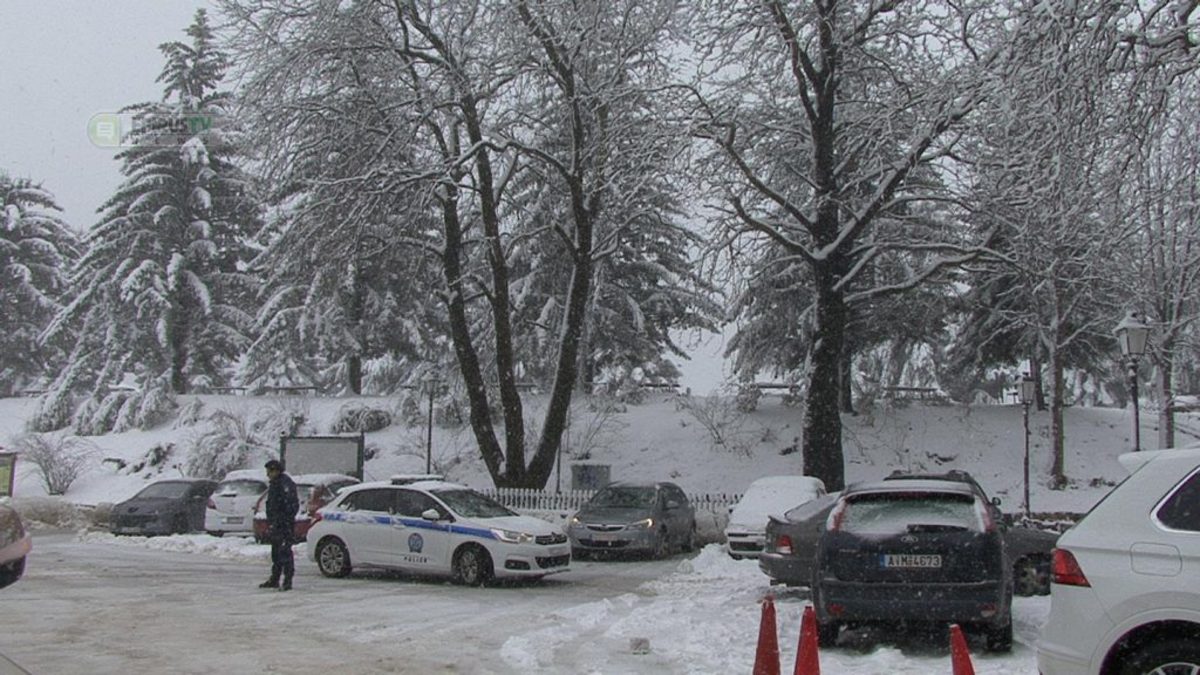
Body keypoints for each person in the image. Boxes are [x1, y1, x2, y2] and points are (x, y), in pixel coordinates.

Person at [261, 459, 299, 591]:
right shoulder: (275, 483)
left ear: (275, 470)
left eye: (269, 471)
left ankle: (287, 581)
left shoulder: (285, 484)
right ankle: (275, 579)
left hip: (284, 525)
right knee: (276, 553)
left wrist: (282, 520)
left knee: (285, 553)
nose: (267, 475)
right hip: (276, 524)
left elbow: (291, 505)